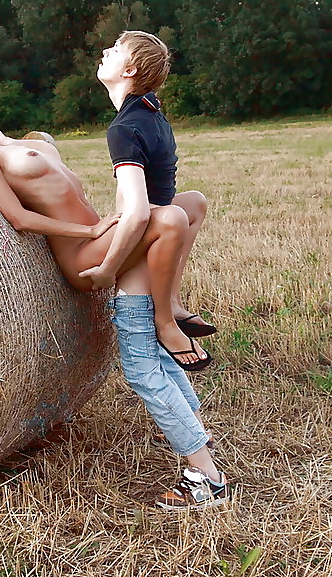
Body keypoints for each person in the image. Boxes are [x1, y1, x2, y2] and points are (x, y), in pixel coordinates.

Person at [0, 105, 207, 371]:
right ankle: (165, 323)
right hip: (82, 254)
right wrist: (91, 231)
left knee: (193, 203)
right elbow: (19, 218)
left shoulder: (5, 142)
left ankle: (173, 302)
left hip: (101, 237)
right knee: (171, 219)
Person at [89, 30, 227, 510]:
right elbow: (164, 201)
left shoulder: (124, 128)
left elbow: (143, 213)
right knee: (162, 365)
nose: (105, 52)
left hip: (137, 275)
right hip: (158, 264)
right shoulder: (154, 116)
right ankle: (199, 443)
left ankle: (204, 476)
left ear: (129, 70)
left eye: (115, 50)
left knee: (144, 371)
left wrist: (107, 268)